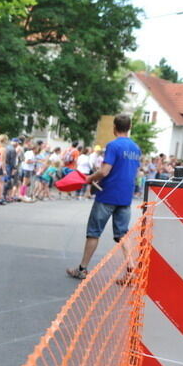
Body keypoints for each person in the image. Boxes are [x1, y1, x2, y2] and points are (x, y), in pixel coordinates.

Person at [66, 113, 141, 280]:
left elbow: (105, 171)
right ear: (129, 128)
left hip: (108, 194)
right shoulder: (136, 148)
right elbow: (134, 172)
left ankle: (82, 269)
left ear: (114, 128)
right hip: (125, 196)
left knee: (94, 232)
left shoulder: (113, 146)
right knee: (122, 234)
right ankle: (131, 268)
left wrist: (90, 178)